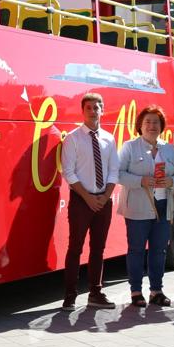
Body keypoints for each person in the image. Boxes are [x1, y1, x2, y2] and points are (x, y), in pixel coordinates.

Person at [60, 92, 120, 311]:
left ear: (102, 110)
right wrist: (88, 197)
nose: (93, 111)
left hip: (103, 200)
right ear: (82, 111)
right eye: (89, 108)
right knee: (75, 247)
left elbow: (114, 170)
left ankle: (95, 292)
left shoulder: (109, 138)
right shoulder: (73, 138)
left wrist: (104, 197)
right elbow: (69, 172)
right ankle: (70, 295)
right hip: (81, 200)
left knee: (98, 249)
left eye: (97, 107)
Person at [117, 105, 174, 307]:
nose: (152, 126)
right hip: (137, 206)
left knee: (159, 250)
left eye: (156, 122)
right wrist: (141, 181)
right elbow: (118, 174)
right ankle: (136, 292)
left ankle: (156, 291)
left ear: (161, 126)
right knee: (136, 250)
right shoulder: (129, 146)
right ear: (140, 126)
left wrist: (171, 182)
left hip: (163, 205)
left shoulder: (169, 148)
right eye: (148, 122)